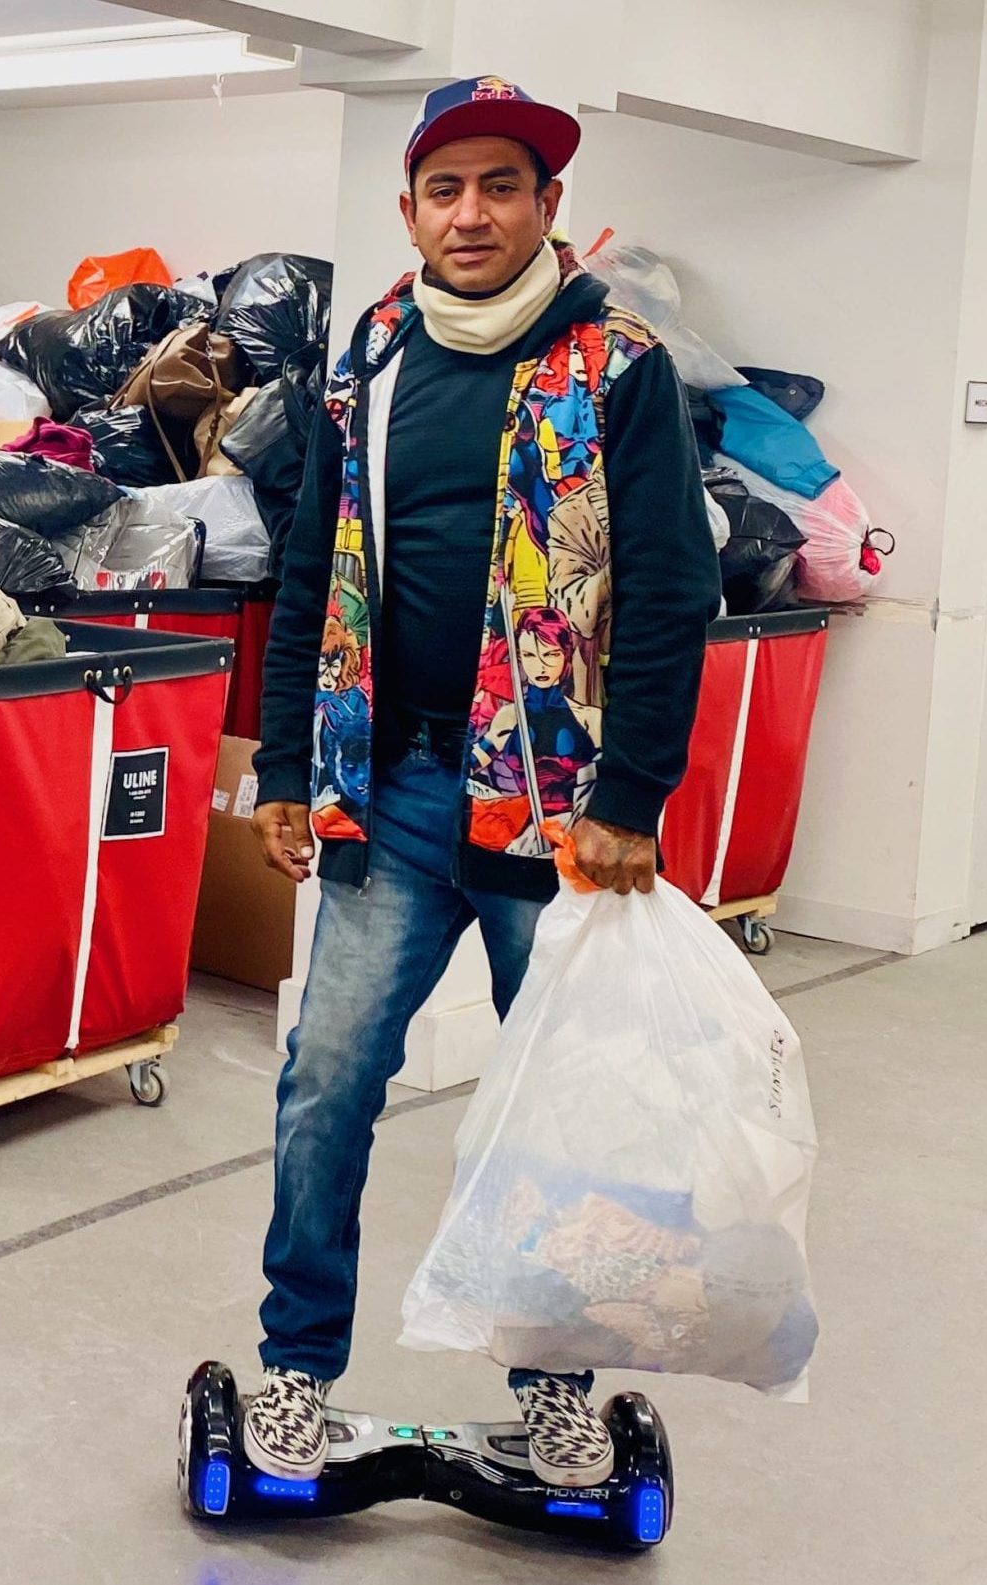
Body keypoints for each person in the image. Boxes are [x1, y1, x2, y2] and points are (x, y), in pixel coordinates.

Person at [245, 75, 720, 1486]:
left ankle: (555, 1385)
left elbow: (675, 588)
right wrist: (284, 754)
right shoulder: (371, 356)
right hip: (389, 791)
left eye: (500, 185)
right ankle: (296, 1366)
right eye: (444, 189)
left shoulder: (616, 365)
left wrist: (632, 795)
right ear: (408, 211)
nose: (471, 212)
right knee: (326, 1080)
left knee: (560, 1110)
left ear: (547, 205)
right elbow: (311, 562)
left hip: (557, 811)